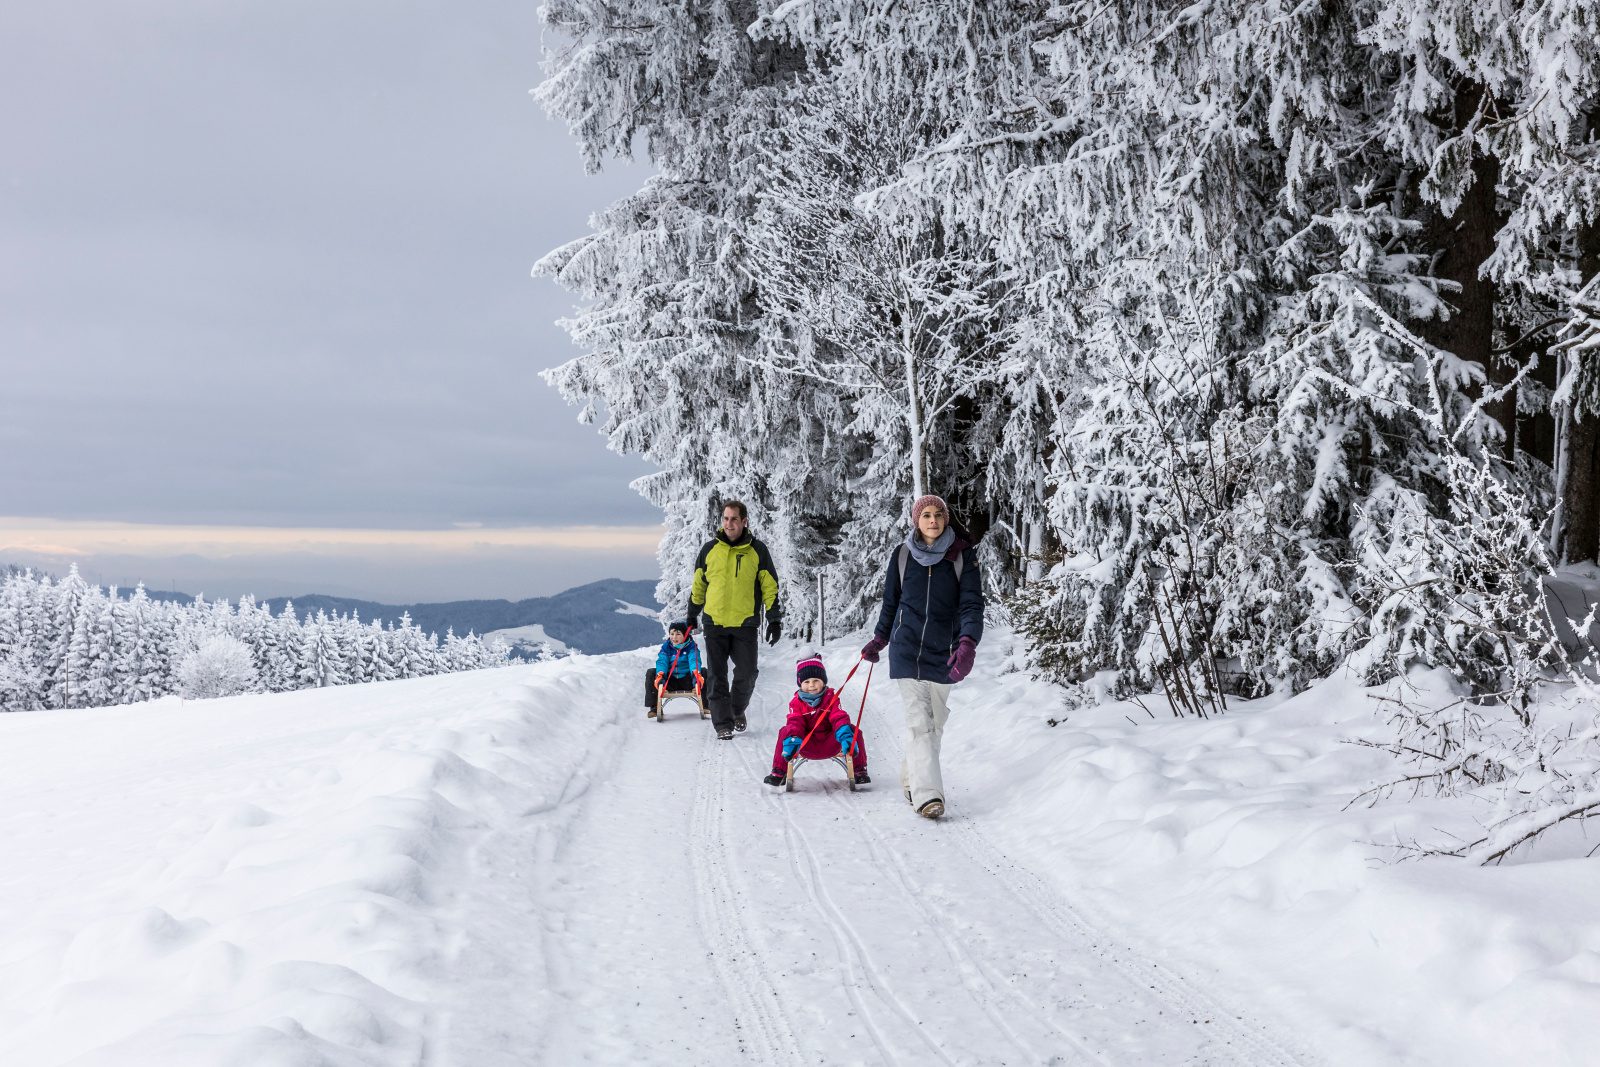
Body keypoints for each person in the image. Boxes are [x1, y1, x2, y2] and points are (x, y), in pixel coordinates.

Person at [860, 493, 983, 819]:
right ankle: (928, 796)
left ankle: (911, 779)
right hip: (907, 647)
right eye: (926, 514)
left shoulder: (961, 556)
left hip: (944, 652)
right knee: (920, 724)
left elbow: (971, 604)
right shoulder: (903, 555)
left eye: (938, 514)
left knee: (934, 725)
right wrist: (880, 639)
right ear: (917, 520)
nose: (932, 520)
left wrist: (968, 643)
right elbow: (891, 602)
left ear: (945, 519)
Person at [686, 500, 782, 740]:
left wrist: (774, 619)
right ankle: (722, 724)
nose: (729, 524)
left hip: (745, 624)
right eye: (726, 518)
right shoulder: (710, 550)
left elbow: (769, 586)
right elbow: (699, 584)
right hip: (714, 623)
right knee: (717, 676)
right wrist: (692, 614)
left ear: (744, 521)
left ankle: (736, 710)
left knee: (747, 673)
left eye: (734, 519)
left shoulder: (757, 550)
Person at [763, 655, 869, 786]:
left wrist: (845, 735)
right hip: (805, 746)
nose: (811, 685)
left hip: (831, 744)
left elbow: (838, 717)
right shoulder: (796, 703)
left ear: (823, 681)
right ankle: (779, 771)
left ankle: (859, 770)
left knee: (853, 730)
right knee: (785, 731)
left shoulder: (831, 698)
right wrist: (793, 739)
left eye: (816, 680)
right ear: (800, 684)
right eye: (806, 682)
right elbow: (795, 722)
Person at [645, 619, 702, 717]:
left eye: (678, 634)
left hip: (687, 680)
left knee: (704, 672)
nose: (674, 637)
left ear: (685, 635)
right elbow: (662, 661)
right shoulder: (666, 647)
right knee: (651, 672)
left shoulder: (691, 647)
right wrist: (661, 675)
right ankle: (654, 708)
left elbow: (694, 660)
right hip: (670, 681)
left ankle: (706, 705)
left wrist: (696, 677)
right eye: (672, 634)